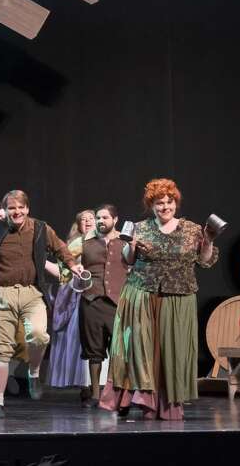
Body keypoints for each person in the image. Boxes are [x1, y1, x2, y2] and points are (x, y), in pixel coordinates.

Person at [100, 180, 218, 420]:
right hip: (142, 294)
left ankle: (168, 403)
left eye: (169, 202)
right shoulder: (140, 227)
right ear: (151, 206)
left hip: (178, 296)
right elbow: (128, 260)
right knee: (141, 351)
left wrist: (210, 240)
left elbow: (205, 261)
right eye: (159, 203)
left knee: (172, 351)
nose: (165, 207)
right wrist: (131, 246)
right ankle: (142, 400)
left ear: (176, 202)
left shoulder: (193, 230)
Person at [0, 190, 82, 418]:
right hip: (0, 293)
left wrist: (73, 265)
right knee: (0, 350)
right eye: (11, 208)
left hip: (31, 292)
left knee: (38, 335)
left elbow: (60, 248)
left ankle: (34, 372)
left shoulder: (40, 228)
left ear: (27, 209)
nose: (16, 212)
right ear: (6, 211)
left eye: (20, 208)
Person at [79, 204, 127, 406]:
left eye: (105, 218)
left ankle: (115, 394)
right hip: (92, 300)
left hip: (117, 302)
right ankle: (96, 394)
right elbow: (65, 262)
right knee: (94, 351)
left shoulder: (125, 242)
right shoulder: (84, 242)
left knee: (118, 350)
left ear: (115, 220)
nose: (100, 221)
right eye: (98, 218)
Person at [47, 210, 96, 395]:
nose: (89, 221)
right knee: (78, 339)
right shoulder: (76, 244)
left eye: (92, 218)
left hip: (96, 294)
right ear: (79, 225)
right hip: (76, 294)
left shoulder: (103, 241)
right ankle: (84, 382)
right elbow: (62, 269)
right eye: (84, 220)